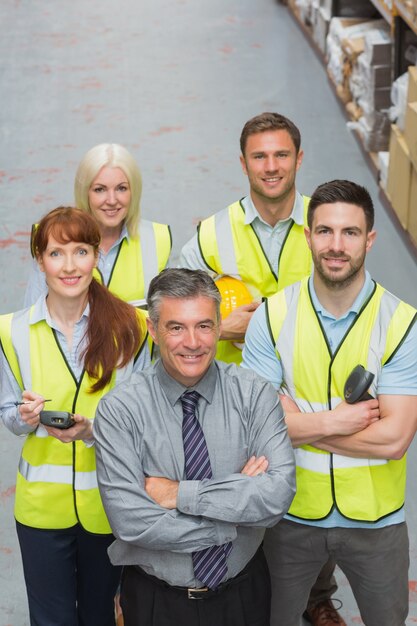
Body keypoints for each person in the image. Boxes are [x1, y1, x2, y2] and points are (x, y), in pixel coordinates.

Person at [180, 111, 343, 625]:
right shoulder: (211, 234)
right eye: (259, 156)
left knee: (317, 487)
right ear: (244, 163)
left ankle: (317, 598)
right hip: (234, 394)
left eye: (281, 154)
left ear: (298, 158)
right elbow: (179, 311)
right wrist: (224, 327)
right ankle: (243, 596)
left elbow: (356, 297)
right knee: (243, 493)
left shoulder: (329, 219)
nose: (271, 166)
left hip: (312, 385)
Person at [242, 180, 417, 626]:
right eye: (324, 231)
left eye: (350, 233)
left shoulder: (400, 323)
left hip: (376, 522)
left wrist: (301, 426)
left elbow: (394, 440)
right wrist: (341, 421)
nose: (336, 246)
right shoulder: (272, 316)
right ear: (307, 236)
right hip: (289, 515)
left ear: (370, 239)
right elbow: (257, 426)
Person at [93, 268, 296, 626]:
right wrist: (231, 517)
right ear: (154, 331)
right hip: (157, 602)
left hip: (243, 595)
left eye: (203, 325)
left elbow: (276, 497)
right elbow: (130, 520)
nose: (193, 342)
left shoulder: (254, 394)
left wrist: (179, 495)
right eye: (176, 327)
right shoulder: (120, 409)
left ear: (219, 326)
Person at [0, 207, 150, 626]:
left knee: (102, 615)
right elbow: (8, 413)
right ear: (39, 260)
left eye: (81, 251)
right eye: (56, 253)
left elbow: (143, 421)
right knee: (51, 620)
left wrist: (92, 430)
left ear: (96, 256)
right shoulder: (9, 331)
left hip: (109, 504)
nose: (69, 266)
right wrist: (26, 417)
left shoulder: (132, 327)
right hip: (40, 510)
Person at [24, 143, 171, 307]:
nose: (112, 200)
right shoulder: (51, 237)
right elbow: (33, 317)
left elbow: (167, 319)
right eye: (100, 189)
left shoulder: (156, 239)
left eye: (121, 188)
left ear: (134, 191)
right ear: (84, 192)